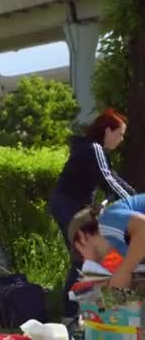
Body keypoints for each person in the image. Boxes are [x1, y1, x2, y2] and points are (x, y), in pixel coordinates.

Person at [48, 108, 135, 321]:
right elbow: (108, 179)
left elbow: (113, 181)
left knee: (84, 259)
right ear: (108, 130)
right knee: (86, 256)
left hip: (72, 206)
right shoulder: (94, 148)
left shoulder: (93, 150)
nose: (121, 139)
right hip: (68, 206)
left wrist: (134, 197)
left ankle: (77, 316)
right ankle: (73, 317)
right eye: (120, 134)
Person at [68, 194, 145, 288]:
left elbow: (143, 228)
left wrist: (125, 271)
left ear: (82, 237)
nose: (84, 260)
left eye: (80, 253)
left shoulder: (106, 221)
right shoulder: (118, 244)